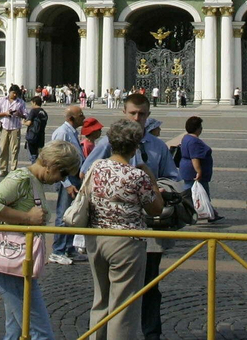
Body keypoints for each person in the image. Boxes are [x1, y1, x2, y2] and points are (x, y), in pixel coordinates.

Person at [82, 94, 179, 340]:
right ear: (124, 112)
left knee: (150, 286)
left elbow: (175, 178)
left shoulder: (158, 147)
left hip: (150, 229)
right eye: (133, 113)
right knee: (111, 295)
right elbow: (85, 170)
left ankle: (151, 333)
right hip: (122, 234)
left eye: (142, 114)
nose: (137, 118)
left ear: (148, 114)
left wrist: (161, 186)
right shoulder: (108, 143)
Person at [0, 141, 79, 340]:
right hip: (11, 266)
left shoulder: (33, 181)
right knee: (41, 332)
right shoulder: (21, 179)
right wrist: (28, 218)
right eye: (64, 174)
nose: (63, 180)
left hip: (15, 265)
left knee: (15, 330)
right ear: (52, 166)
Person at [47, 105, 88, 265]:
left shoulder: (72, 132)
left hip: (74, 179)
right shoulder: (63, 132)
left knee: (72, 215)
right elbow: (55, 160)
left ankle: (69, 249)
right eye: (81, 115)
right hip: (67, 180)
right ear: (71, 118)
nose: (83, 118)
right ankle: (58, 251)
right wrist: (67, 183)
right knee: (63, 215)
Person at [177, 116, 223, 223]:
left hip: (187, 169)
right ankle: (200, 214)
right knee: (198, 194)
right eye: (200, 127)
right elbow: (195, 158)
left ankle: (211, 213)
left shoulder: (186, 137)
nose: (201, 129)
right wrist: (199, 171)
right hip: (193, 172)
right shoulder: (194, 141)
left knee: (195, 193)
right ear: (197, 128)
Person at [0, 86, 28, 178]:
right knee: (3, 149)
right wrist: (6, 113)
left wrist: (19, 114)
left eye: (17, 94)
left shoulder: (21, 102)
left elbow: (25, 115)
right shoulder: (1, 100)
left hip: (15, 128)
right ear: (9, 92)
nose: (15, 95)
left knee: (14, 150)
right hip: (4, 127)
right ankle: (3, 169)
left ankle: (13, 169)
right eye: (13, 93)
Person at [25, 96, 48, 163]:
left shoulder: (33, 111)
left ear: (34, 103)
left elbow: (29, 123)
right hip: (41, 136)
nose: (31, 105)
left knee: (33, 156)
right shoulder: (44, 112)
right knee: (39, 155)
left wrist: (23, 122)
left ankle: (35, 170)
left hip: (32, 136)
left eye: (31, 103)